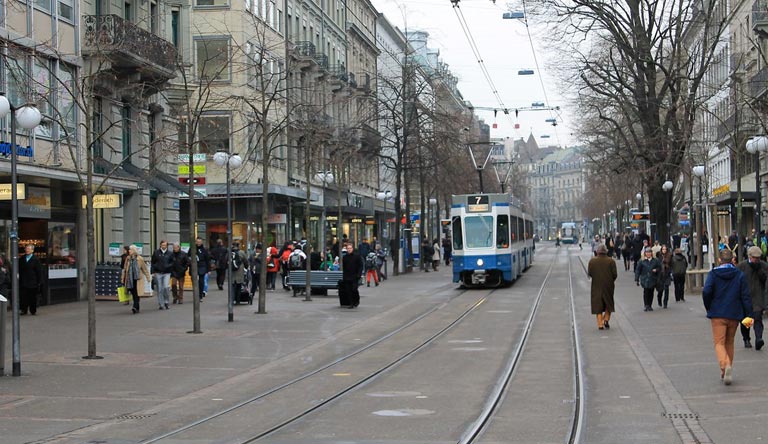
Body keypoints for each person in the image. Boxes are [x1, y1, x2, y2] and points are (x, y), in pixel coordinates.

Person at [702, 248, 753, 385]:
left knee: (719, 342)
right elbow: (745, 296)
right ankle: (726, 370)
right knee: (729, 342)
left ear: (719, 260)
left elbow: (706, 291)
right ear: (732, 260)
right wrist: (749, 314)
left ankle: (725, 365)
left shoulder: (713, 274)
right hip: (734, 313)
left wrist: (709, 306)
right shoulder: (739, 275)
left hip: (718, 312)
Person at [736, 246, 767, 350]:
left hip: (758, 296)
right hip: (745, 297)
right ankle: (746, 338)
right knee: (746, 320)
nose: (756, 260)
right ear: (749, 256)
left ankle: (759, 338)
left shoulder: (763, 266)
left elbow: (765, 280)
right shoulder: (742, 266)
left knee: (758, 318)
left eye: (758, 258)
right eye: (754, 258)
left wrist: (759, 271)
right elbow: (737, 282)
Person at [588, 244, 617, 330]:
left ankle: (600, 324)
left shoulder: (592, 261)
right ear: (606, 252)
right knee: (609, 303)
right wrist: (610, 280)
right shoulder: (611, 261)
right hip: (608, 285)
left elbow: (590, 273)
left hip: (596, 285)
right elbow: (615, 274)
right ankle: (606, 319)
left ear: (597, 252)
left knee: (598, 304)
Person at [121, 245, 151, 314]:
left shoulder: (140, 259)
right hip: (130, 279)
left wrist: (148, 277)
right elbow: (125, 269)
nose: (129, 251)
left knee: (136, 293)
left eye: (130, 250)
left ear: (134, 251)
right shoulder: (128, 258)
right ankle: (137, 307)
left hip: (138, 279)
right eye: (129, 250)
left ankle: (135, 306)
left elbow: (144, 269)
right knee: (133, 292)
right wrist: (122, 278)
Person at [18, 244, 43, 315]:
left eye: (29, 249)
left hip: (32, 281)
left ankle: (33, 310)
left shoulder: (36, 259)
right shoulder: (22, 259)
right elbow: (19, 269)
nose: (27, 250)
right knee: (23, 296)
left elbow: (39, 271)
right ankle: (23, 309)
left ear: (32, 250)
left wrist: (39, 282)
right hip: (23, 280)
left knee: (32, 297)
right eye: (26, 249)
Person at [635, 247, 661, 312]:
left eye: (649, 252)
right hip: (645, 278)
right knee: (646, 292)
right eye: (647, 253)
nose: (648, 254)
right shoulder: (641, 261)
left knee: (651, 292)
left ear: (651, 253)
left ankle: (650, 305)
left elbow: (660, 268)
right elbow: (638, 270)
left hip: (652, 278)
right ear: (645, 253)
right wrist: (637, 279)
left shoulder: (655, 260)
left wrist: (656, 270)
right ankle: (646, 305)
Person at [151, 240, 174, 310]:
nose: (164, 246)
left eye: (165, 245)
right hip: (158, 272)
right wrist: (153, 271)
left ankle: (166, 301)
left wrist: (168, 266)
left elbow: (173, 262)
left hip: (167, 272)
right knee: (160, 288)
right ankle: (161, 304)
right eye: (162, 245)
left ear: (167, 246)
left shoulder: (170, 253)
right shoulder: (156, 252)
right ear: (160, 245)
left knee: (166, 287)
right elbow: (153, 262)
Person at [341, 243, 364, 308]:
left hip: (355, 276)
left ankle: (356, 300)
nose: (349, 250)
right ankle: (351, 303)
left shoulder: (357, 256)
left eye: (350, 248)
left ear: (352, 249)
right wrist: (344, 276)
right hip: (347, 276)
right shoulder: (345, 257)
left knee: (354, 289)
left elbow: (360, 266)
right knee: (348, 290)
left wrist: (359, 274)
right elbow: (344, 267)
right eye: (348, 248)